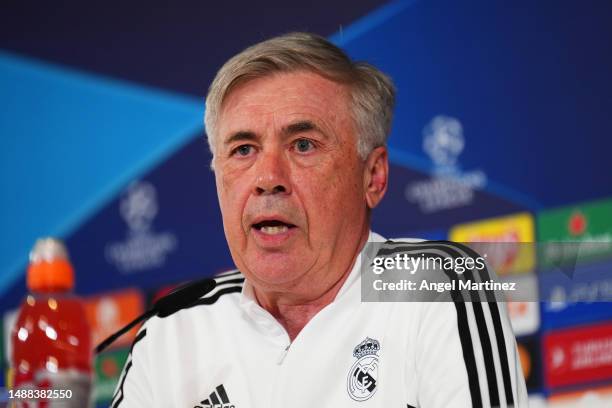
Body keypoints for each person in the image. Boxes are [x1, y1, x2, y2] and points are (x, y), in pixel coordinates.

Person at [111, 32, 527, 407]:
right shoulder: (171, 332)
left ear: (373, 176)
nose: (268, 179)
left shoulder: (436, 289)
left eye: (303, 145)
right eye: (243, 150)